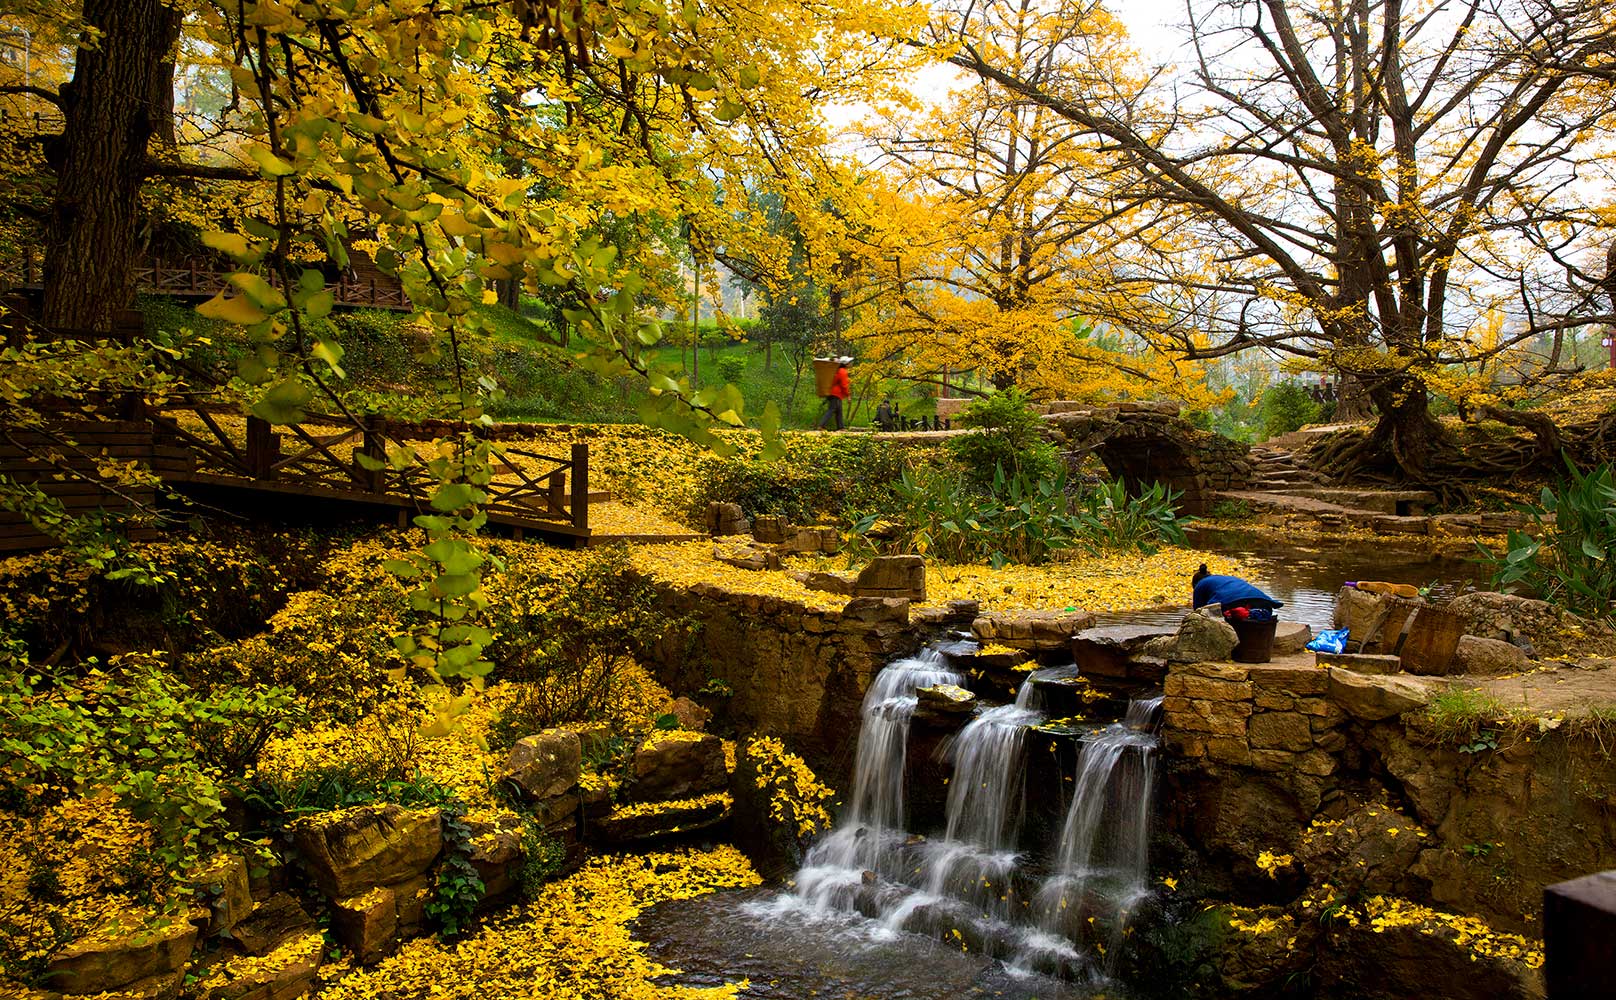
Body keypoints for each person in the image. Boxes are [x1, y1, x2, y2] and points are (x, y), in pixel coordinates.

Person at [1192, 563, 1283, 612]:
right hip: (1264, 603)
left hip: (1233, 603)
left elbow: (1197, 612)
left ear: (1195, 584)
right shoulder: (1228, 578)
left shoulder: (1200, 584)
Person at [817, 357, 850, 430]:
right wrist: (848, 395)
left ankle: (841, 427)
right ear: (846, 364)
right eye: (848, 363)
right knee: (832, 409)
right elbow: (844, 385)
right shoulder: (842, 371)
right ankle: (821, 425)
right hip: (836, 393)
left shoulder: (837, 370)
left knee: (839, 410)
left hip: (832, 392)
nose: (850, 364)